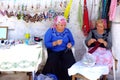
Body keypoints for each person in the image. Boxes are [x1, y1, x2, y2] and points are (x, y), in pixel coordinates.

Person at [42, 15, 76, 80]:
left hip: (65, 50)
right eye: (61, 25)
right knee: (53, 62)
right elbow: (46, 44)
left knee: (69, 62)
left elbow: (72, 41)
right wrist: (55, 43)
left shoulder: (67, 31)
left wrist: (70, 44)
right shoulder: (50, 31)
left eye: (64, 25)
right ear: (56, 24)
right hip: (53, 51)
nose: (63, 27)